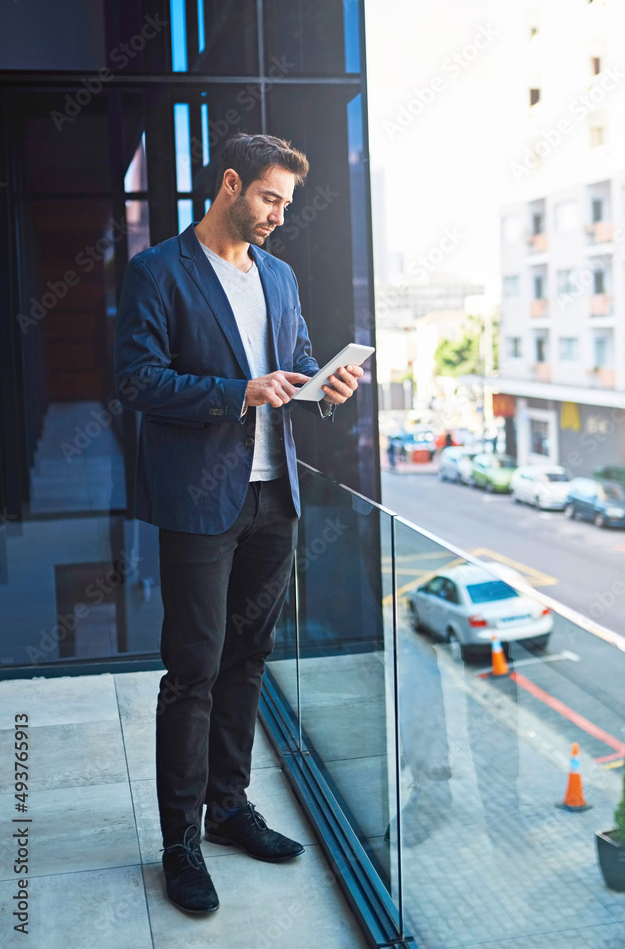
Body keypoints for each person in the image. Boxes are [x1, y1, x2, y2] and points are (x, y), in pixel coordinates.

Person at [114, 133, 362, 915]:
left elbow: (295, 358)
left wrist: (328, 386)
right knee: (193, 670)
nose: (278, 217)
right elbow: (138, 380)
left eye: (286, 204)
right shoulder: (159, 269)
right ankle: (180, 842)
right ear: (230, 184)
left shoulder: (279, 276)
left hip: (272, 497)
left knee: (247, 658)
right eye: (268, 198)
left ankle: (228, 807)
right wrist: (238, 393)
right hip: (198, 500)